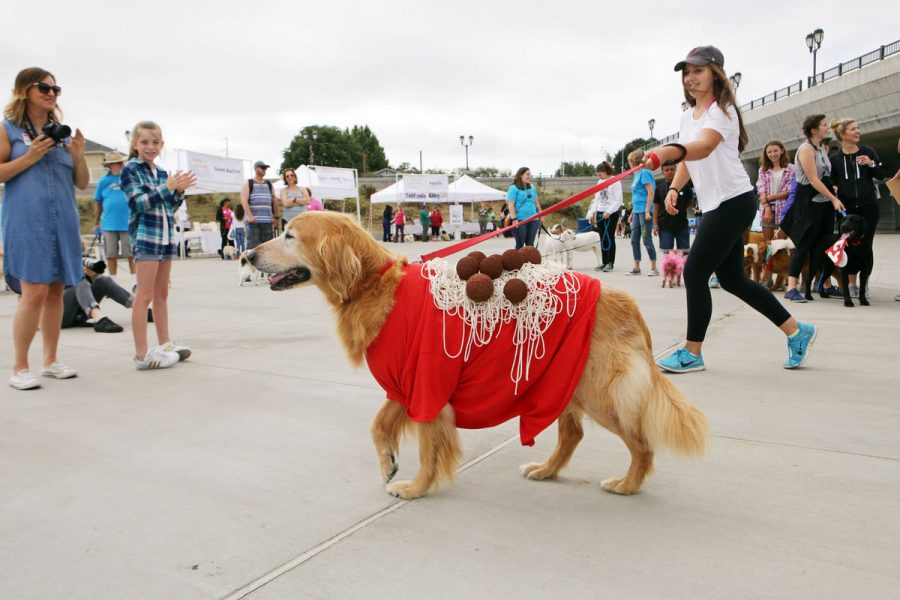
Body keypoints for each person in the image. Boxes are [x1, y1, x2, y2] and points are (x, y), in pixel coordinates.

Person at [649, 45, 816, 372]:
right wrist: (673, 187)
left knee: (694, 271)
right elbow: (689, 156)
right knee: (733, 280)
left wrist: (664, 152)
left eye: (698, 70)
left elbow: (704, 146)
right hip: (716, 205)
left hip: (733, 201)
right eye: (687, 72)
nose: (690, 77)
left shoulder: (720, 113)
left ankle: (692, 352)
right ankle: (797, 331)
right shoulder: (688, 115)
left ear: (716, 74)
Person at [1, 67, 88, 390]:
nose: (52, 93)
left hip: (62, 219)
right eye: (44, 87)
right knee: (33, 291)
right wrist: (31, 156)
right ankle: (19, 367)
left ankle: (50, 361)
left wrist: (78, 157)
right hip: (26, 220)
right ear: (24, 90)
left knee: (55, 290)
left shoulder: (62, 135)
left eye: (56, 89)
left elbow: (81, 183)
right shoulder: (7, 129)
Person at [120, 120, 196, 370]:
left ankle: (165, 343)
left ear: (162, 144)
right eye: (144, 142)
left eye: (155, 142)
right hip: (146, 238)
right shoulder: (130, 169)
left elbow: (169, 207)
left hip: (165, 237)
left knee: (162, 294)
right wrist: (168, 188)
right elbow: (138, 203)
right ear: (134, 144)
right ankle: (141, 354)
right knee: (144, 295)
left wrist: (178, 192)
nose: (150, 147)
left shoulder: (162, 173)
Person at [781, 114, 846, 302]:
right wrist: (833, 198)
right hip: (808, 203)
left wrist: (831, 188)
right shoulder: (806, 149)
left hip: (823, 203)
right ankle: (791, 288)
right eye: (824, 125)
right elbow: (812, 179)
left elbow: (824, 174)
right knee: (804, 245)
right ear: (814, 130)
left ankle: (824, 285)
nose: (827, 127)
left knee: (823, 244)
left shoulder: (820, 148)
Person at [829, 118, 884, 299]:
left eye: (858, 128)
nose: (858, 131)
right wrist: (834, 190)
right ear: (843, 134)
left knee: (866, 246)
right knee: (847, 246)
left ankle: (864, 285)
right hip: (847, 210)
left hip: (868, 207)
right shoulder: (835, 159)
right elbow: (831, 182)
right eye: (854, 129)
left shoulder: (868, 151)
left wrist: (871, 163)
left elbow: (881, 174)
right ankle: (851, 284)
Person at [61, 257, 136, 333]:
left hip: (79, 314)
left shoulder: (74, 257)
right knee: (78, 278)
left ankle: (139, 308)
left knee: (103, 280)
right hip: (57, 316)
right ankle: (99, 319)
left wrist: (93, 274)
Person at [93, 150, 135, 276]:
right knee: (111, 255)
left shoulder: (129, 178)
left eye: (121, 162)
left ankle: (136, 282)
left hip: (128, 222)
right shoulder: (103, 180)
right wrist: (96, 223)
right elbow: (98, 203)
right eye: (116, 163)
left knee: (131, 254)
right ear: (109, 165)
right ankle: (113, 282)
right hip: (109, 223)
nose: (120, 165)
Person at [625, 149, 658, 276]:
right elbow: (637, 195)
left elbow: (651, 192)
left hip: (645, 212)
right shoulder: (636, 174)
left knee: (646, 239)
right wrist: (632, 212)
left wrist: (647, 211)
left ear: (633, 161)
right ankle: (636, 266)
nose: (629, 164)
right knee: (634, 239)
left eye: (629, 162)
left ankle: (654, 267)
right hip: (637, 211)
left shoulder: (644, 173)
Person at [586, 161, 623, 272]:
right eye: (598, 175)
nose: (599, 177)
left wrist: (609, 211)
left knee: (609, 237)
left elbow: (618, 200)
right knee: (602, 238)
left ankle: (610, 263)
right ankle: (604, 262)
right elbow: (597, 199)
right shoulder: (599, 182)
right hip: (600, 212)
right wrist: (591, 213)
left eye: (600, 174)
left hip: (611, 213)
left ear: (606, 172)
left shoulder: (615, 181)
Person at [756, 141, 794, 243]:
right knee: (767, 243)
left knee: (782, 242)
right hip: (766, 208)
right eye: (769, 152)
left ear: (781, 150)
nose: (772, 154)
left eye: (775, 150)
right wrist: (767, 207)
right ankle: (769, 260)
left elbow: (789, 191)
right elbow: (761, 188)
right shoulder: (763, 170)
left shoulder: (791, 169)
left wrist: (769, 197)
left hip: (784, 208)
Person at [652, 163, 693, 255]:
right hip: (665, 226)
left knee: (684, 253)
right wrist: (655, 225)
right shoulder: (659, 188)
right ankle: (668, 270)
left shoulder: (685, 186)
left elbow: (689, 202)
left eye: (672, 169)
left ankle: (683, 270)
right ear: (662, 172)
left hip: (682, 225)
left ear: (676, 170)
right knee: (667, 254)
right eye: (667, 170)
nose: (670, 172)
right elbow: (656, 208)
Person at [241, 160, 278, 249]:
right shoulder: (249, 183)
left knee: (268, 247)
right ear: (256, 169)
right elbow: (244, 200)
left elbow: (274, 200)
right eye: (262, 168)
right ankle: (249, 263)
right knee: (252, 247)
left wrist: (276, 217)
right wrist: (250, 216)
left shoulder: (269, 184)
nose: (264, 170)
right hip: (253, 222)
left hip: (268, 221)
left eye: (265, 168)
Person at [507, 167, 542, 248]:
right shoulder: (513, 188)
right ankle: (517, 261)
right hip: (520, 220)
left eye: (530, 174)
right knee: (520, 245)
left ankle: (529, 261)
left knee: (530, 245)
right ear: (520, 175)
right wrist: (514, 219)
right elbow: (510, 205)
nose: (530, 176)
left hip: (534, 219)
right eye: (527, 174)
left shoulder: (532, 187)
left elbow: (536, 202)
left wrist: (541, 213)